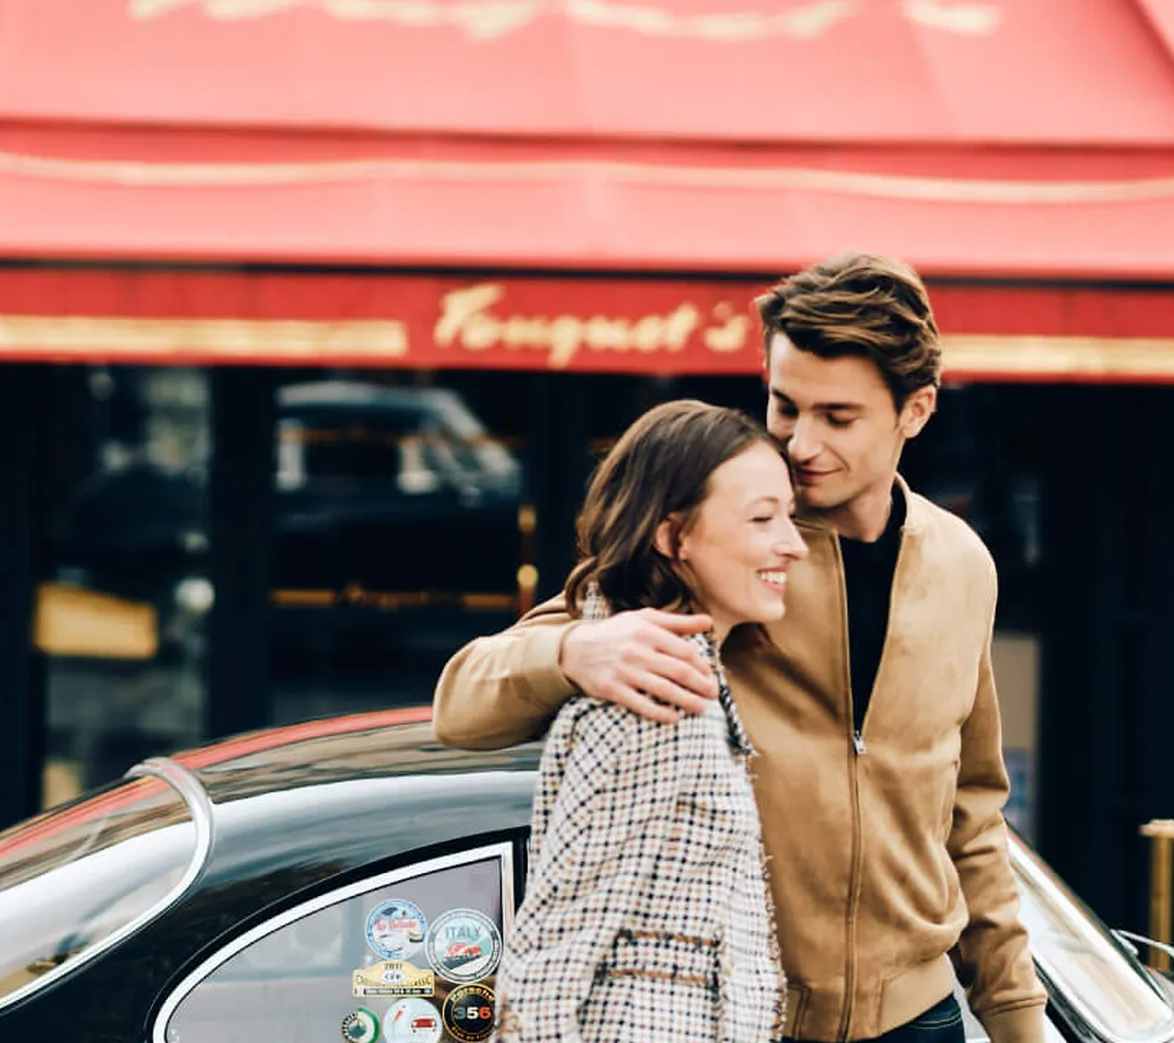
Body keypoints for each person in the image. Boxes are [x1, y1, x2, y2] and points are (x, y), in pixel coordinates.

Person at [438, 253, 1046, 1043]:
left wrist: (1015, 1016)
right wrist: (573, 651)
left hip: (918, 1019)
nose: (801, 443)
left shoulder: (964, 566)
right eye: (785, 406)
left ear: (917, 410)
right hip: (750, 1020)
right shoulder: (732, 551)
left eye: (838, 417)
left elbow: (972, 815)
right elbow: (462, 705)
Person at [495, 400, 805, 1043]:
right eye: (761, 518)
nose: (794, 544)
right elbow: (551, 954)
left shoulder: (681, 680)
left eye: (790, 515)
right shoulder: (657, 704)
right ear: (672, 537)